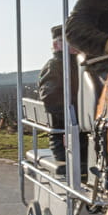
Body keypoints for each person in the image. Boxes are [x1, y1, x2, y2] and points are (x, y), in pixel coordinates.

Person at [36, 25, 73, 163]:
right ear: (56, 44)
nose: (74, 45)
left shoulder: (75, 64)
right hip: (66, 142)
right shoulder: (55, 66)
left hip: (77, 137)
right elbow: (51, 100)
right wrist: (79, 122)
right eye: (68, 41)